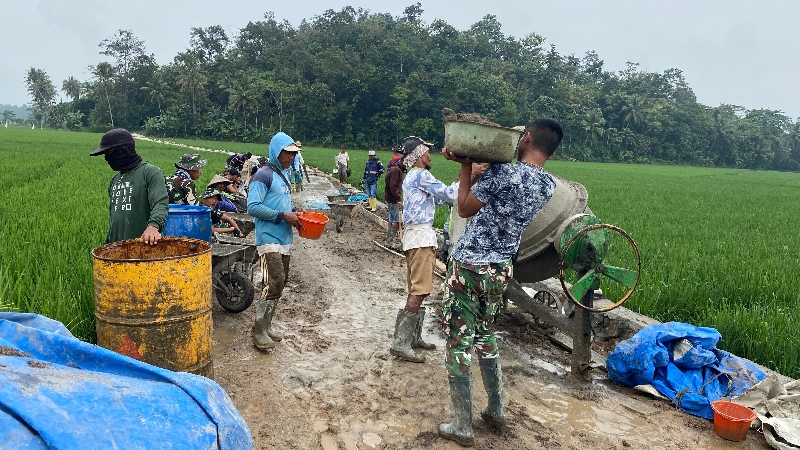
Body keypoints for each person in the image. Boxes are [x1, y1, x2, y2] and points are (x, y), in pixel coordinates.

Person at [437, 118, 563, 446]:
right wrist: (478, 167)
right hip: (500, 270)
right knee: (485, 334)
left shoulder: (502, 173)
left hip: (470, 266)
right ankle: (496, 408)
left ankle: (463, 425)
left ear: (528, 138)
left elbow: (464, 209)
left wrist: (466, 167)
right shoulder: (547, 185)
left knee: (459, 341)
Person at [389, 136, 457, 363]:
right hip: (420, 239)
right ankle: (401, 343)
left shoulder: (413, 177)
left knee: (419, 289)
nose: (430, 155)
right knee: (419, 290)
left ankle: (413, 337)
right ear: (418, 156)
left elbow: (437, 200)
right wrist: (467, 174)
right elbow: (450, 195)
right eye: (426, 152)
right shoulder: (422, 175)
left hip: (415, 237)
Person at [247, 132, 304, 350]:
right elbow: (253, 207)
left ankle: (267, 325)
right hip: (267, 239)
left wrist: (294, 211)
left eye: (293, 154)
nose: (291, 157)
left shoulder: (284, 175)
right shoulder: (263, 175)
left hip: (283, 238)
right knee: (272, 280)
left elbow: (280, 205)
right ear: (275, 152)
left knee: (280, 282)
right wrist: (282, 216)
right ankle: (258, 330)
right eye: (286, 153)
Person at [91, 128, 169, 245]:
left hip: (145, 248)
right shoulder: (114, 181)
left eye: (108, 153)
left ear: (122, 151)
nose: (107, 159)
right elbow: (114, 220)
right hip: (119, 250)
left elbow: (160, 203)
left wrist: (153, 226)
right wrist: (107, 243)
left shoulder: (150, 173)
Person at [383, 158, 404, 250]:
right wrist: (398, 199)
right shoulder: (396, 171)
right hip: (393, 199)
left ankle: (388, 240)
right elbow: (393, 185)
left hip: (389, 198)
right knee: (397, 221)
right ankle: (390, 241)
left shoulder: (394, 169)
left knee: (392, 220)